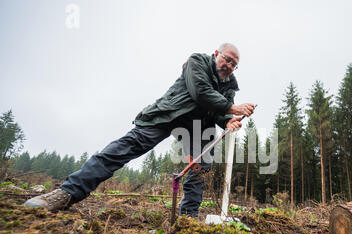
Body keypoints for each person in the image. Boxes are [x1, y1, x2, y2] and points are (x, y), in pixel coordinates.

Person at [25, 43, 255, 217]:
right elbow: (200, 92)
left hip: (198, 127)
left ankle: (188, 219)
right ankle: (66, 193)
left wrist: (227, 121)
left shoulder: (229, 86)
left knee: (200, 168)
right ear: (216, 54)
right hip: (170, 112)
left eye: (235, 64)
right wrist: (232, 107)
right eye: (227, 60)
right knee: (127, 146)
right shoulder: (197, 61)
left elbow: (217, 111)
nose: (230, 66)